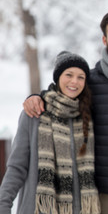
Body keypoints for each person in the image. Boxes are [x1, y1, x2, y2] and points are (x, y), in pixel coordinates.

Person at [22, 10, 108, 214]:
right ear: (104, 39)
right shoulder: (91, 81)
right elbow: (61, 96)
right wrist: (36, 97)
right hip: (104, 196)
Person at [0, 51, 100, 214]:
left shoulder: (88, 117)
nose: (74, 81)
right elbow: (17, 166)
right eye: (69, 74)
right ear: (58, 77)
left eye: (80, 77)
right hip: (39, 209)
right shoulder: (34, 114)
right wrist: (3, 205)